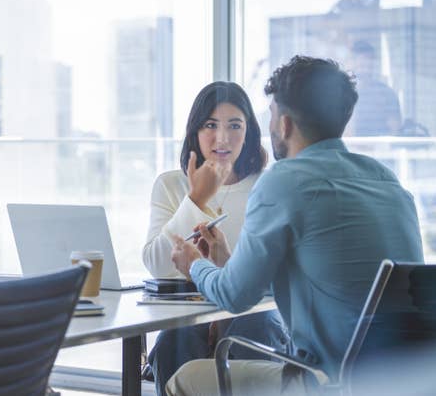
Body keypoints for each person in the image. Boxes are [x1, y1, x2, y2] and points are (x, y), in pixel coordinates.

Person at [166, 56, 424, 395]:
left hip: (327, 382)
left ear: (284, 124)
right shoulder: (386, 180)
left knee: (184, 378)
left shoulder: (283, 182)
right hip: (409, 379)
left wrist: (194, 264)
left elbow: (233, 297)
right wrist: (229, 265)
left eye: (271, 114)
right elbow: (337, 284)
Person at [142, 81, 290, 395]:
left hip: (254, 313)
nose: (222, 137)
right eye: (210, 125)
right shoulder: (171, 184)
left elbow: (277, 277)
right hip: (189, 314)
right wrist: (195, 199)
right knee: (176, 335)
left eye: (234, 125)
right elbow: (157, 265)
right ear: (195, 131)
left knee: (256, 324)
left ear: (248, 132)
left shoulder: (269, 185)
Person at [348, 40, 402, 136]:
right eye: (360, 62)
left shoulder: (386, 94)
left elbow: (395, 131)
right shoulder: (341, 94)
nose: (364, 66)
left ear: (374, 64)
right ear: (352, 63)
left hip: (379, 149)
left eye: (368, 60)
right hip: (349, 149)